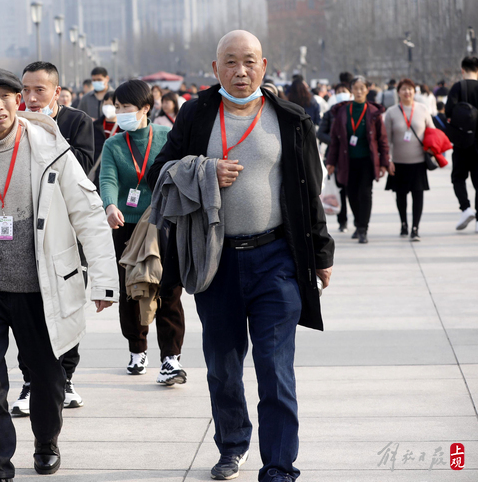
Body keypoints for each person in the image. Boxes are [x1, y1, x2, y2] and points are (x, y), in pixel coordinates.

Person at [147, 31, 334, 482]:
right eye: (230, 62)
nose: (240, 70)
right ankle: (232, 445)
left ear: (264, 65)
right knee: (223, 368)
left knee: (275, 369)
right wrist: (205, 170)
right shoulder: (196, 115)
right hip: (217, 262)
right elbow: (160, 174)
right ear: (215, 69)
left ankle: (279, 465)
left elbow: (310, 187)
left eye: (249, 61)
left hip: (276, 260)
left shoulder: (288, 118)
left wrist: (321, 252)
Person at [0, 66, 118, 481]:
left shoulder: (50, 147)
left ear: (19, 100)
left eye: (5, 96)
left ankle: (46, 441)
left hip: (41, 286)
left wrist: (105, 280)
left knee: (47, 377)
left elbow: (88, 214)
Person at [10, 60, 96, 415]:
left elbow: (80, 165)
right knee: (26, 314)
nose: (30, 98)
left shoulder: (77, 122)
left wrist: (46, 130)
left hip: (66, 235)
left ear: (55, 92)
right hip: (24, 234)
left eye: (39, 90)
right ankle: (31, 382)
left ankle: (66, 378)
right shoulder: (12, 125)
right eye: (24, 91)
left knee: (66, 306)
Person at [99, 80, 186, 384]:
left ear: (146, 108)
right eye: (117, 107)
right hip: (126, 225)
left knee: (168, 288)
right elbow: (107, 178)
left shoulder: (165, 136)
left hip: (163, 223)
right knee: (132, 289)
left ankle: (171, 359)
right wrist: (110, 205)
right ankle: (137, 349)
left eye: (126, 108)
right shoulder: (113, 144)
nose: (120, 112)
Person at [325, 76, 389, 244]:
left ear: (367, 90)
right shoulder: (342, 111)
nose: (359, 91)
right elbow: (335, 139)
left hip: (367, 161)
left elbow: (382, 139)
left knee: (365, 193)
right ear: (351, 90)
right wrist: (331, 162)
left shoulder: (374, 113)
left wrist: (384, 162)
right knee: (351, 193)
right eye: (356, 88)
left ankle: (363, 228)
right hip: (347, 160)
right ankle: (358, 222)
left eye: (362, 88)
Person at [384, 78, 434, 241]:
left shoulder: (422, 109)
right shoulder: (391, 112)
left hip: (418, 162)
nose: (407, 92)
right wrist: (388, 160)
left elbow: (431, 132)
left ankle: (415, 227)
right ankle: (404, 223)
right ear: (398, 92)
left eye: (410, 89)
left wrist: (432, 149)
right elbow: (386, 139)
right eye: (403, 89)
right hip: (398, 162)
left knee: (418, 195)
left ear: (414, 91)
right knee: (401, 196)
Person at [445, 56, 478, 231]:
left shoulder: (458, 87)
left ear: (462, 70)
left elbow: (448, 111)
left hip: (462, 142)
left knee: (458, 177)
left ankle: (465, 208)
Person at [318, 85, 353, 232]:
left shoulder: (354, 112)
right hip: (335, 157)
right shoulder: (329, 113)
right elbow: (320, 133)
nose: (341, 94)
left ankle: (359, 221)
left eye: (344, 92)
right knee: (340, 190)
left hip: (352, 156)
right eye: (339, 92)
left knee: (353, 191)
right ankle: (342, 220)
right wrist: (336, 141)